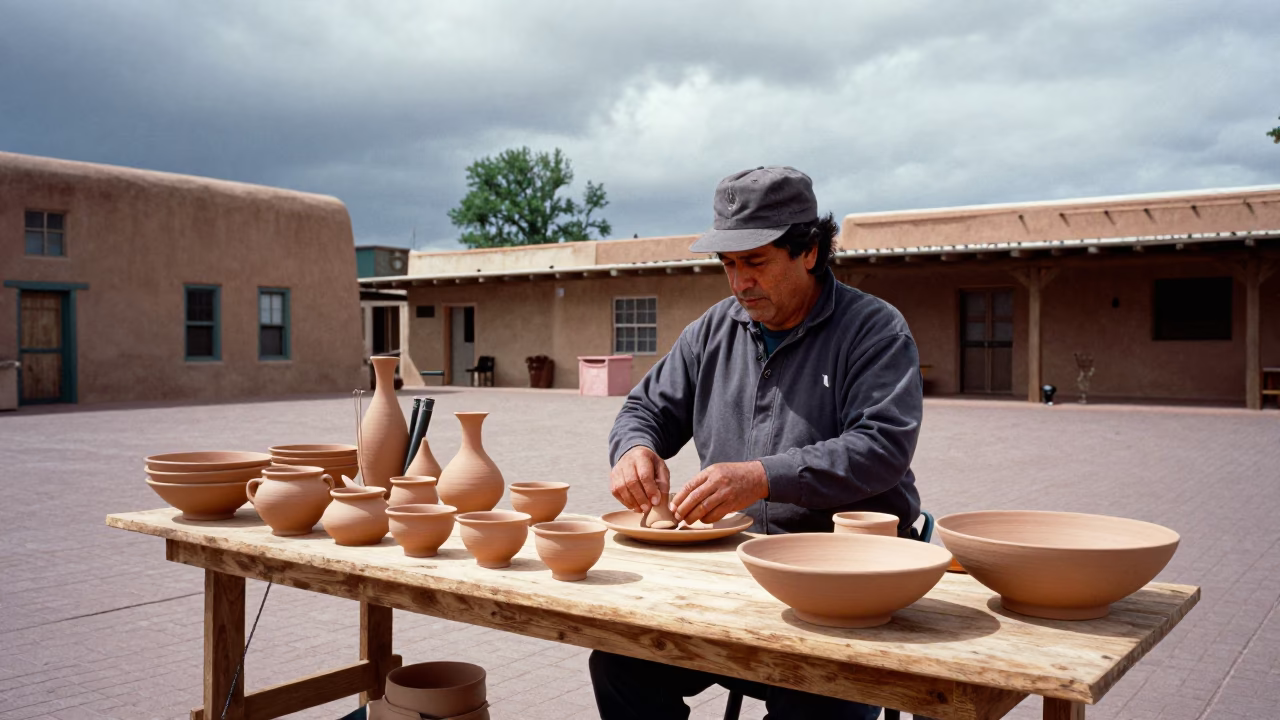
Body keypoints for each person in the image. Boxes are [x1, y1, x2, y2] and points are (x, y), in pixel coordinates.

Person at [590, 166, 924, 720]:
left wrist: (762, 475)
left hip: (841, 590)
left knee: (811, 696)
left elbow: (882, 447)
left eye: (756, 262)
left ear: (809, 251)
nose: (739, 282)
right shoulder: (712, 330)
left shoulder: (874, 331)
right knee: (619, 664)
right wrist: (633, 449)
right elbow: (645, 409)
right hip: (731, 575)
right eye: (728, 264)